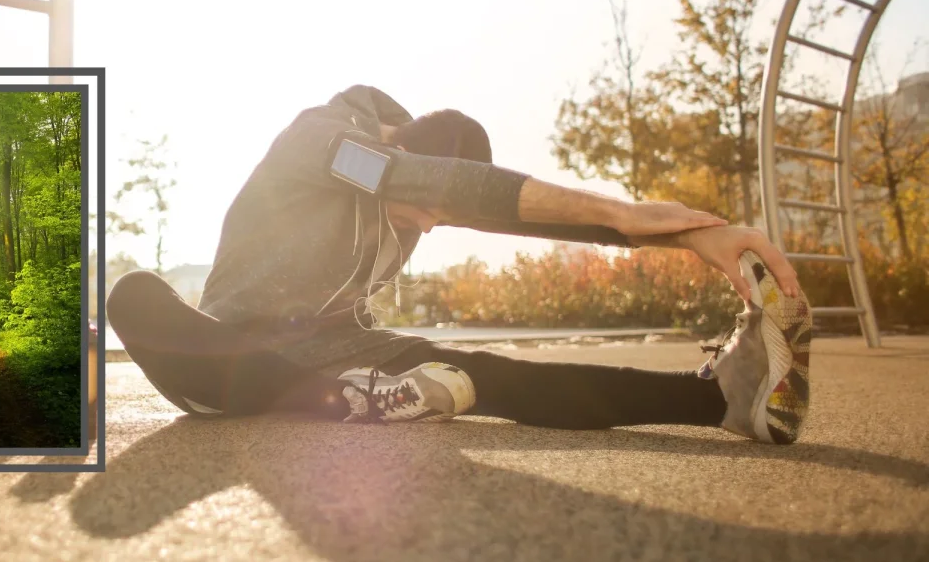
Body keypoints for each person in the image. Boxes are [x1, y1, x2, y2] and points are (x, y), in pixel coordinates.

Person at [107, 86, 812, 444]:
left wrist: (686, 236)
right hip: (226, 358)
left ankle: (718, 399)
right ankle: (347, 399)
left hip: (341, 352)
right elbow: (427, 186)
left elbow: (500, 208)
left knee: (486, 372)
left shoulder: (414, 186)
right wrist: (625, 212)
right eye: (430, 208)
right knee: (134, 294)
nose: (432, 225)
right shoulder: (325, 140)